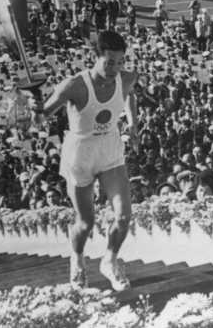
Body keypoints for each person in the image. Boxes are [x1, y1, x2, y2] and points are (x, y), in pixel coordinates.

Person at [36, 31, 139, 290]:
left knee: (124, 216)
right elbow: (41, 116)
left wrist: (133, 123)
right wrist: (34, 105)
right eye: (109, 62)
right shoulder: (74, 85)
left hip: (110, 150)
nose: (115, 68)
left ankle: (110, 260)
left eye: (120, 62)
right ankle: (78, 258)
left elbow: (129, 94)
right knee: (86, 222)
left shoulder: (126, 78)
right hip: (80, 153)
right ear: (96, 57)